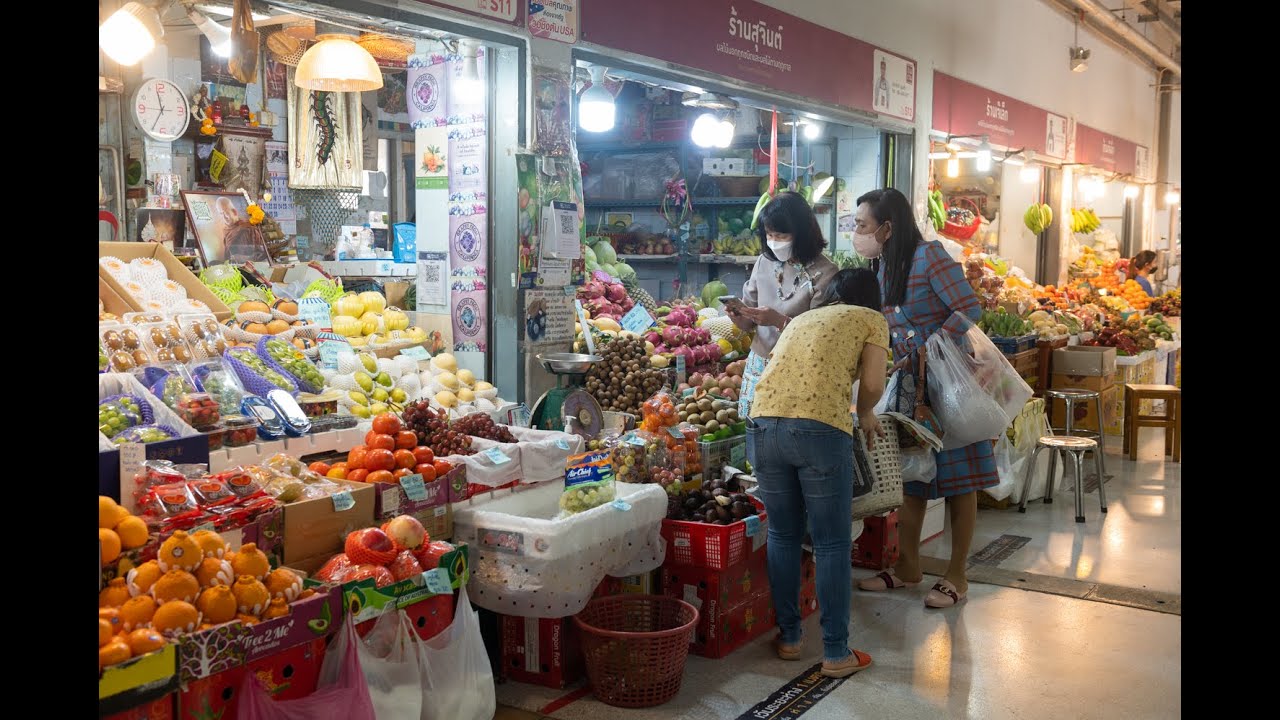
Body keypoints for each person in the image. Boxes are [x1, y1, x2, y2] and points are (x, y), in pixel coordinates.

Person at [851, 187, 994, 609]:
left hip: (948, 384)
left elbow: (969, 308)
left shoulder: (930, 256)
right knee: (912, 477)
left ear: (888, 227)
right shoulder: (882, 268)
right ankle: (908, 567)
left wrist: (932, 347)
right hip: (910, 386)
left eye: (862, 224)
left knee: (959, 481)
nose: (857, 232)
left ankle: (957, 576)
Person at [747, 268, 889, 679]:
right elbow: (876, 383)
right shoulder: (870, 318)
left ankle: (790, 638)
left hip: (763, 424)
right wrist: (863, 412)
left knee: (783, 533)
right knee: (830, 543)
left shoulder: (803, 319)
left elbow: (776, 368)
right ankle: (835, 652)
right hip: (818, 429)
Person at [725, 192, 838, 418]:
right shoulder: (764, 262)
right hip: (759, 363)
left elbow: (820, 335)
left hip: (799, 370)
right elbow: (749, 320)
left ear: (802, 234)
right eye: (769, 234)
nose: (774, 241)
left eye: (781, 235)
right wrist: (739, 316)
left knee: (785, 437)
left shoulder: (825, 273)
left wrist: (778, 321)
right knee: (754, 431)